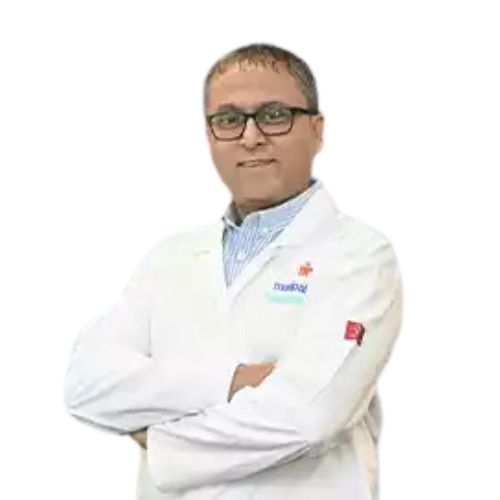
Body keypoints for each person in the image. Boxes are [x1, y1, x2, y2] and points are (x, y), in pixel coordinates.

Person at [63, 43, 403, 500]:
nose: (251, 136)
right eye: (228, 119)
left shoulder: (360, 256)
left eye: (275, 115)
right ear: (210, 136)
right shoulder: (170, 257)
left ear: (317, 130)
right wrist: (235, 380)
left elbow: (309, 415)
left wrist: (159, 440)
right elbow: (85, 383)